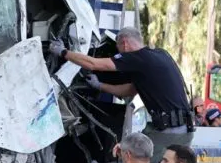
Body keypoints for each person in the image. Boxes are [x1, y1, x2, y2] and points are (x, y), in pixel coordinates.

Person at [49, 27, 193, 133]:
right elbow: (129, 91)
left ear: (124, 43)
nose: (119, 52)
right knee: (133, 152)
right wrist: (99, 85)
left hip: (170, 130)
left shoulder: (138, 58)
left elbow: (94, 64)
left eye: (118, 48)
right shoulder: (160, 54)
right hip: (183, 127)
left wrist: (63, 52)